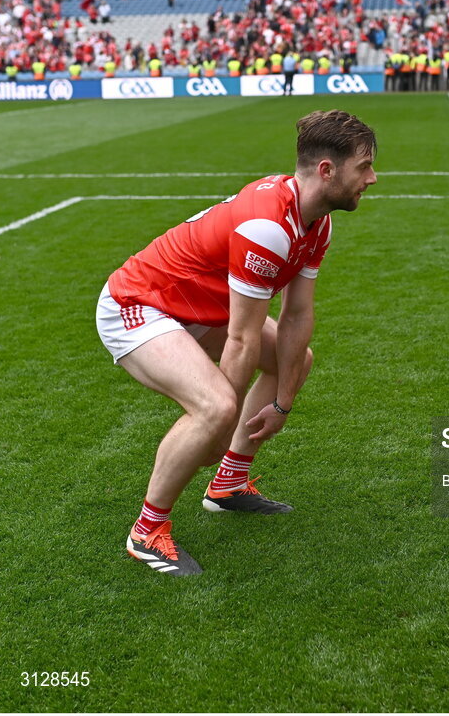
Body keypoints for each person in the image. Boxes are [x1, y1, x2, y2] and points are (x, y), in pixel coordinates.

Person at [96, 110, 378, 576]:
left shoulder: (317, 222)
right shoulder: (267, 228)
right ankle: (147, 531)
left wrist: (283, 405)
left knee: (295, 361)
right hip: (139, 304)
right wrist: (223, 423)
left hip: (198, 308)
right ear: (327, 170)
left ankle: (227, 483)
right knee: (214, 406)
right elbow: (243, 338)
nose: (372, 177)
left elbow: (297, 315)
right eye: (363, 166)